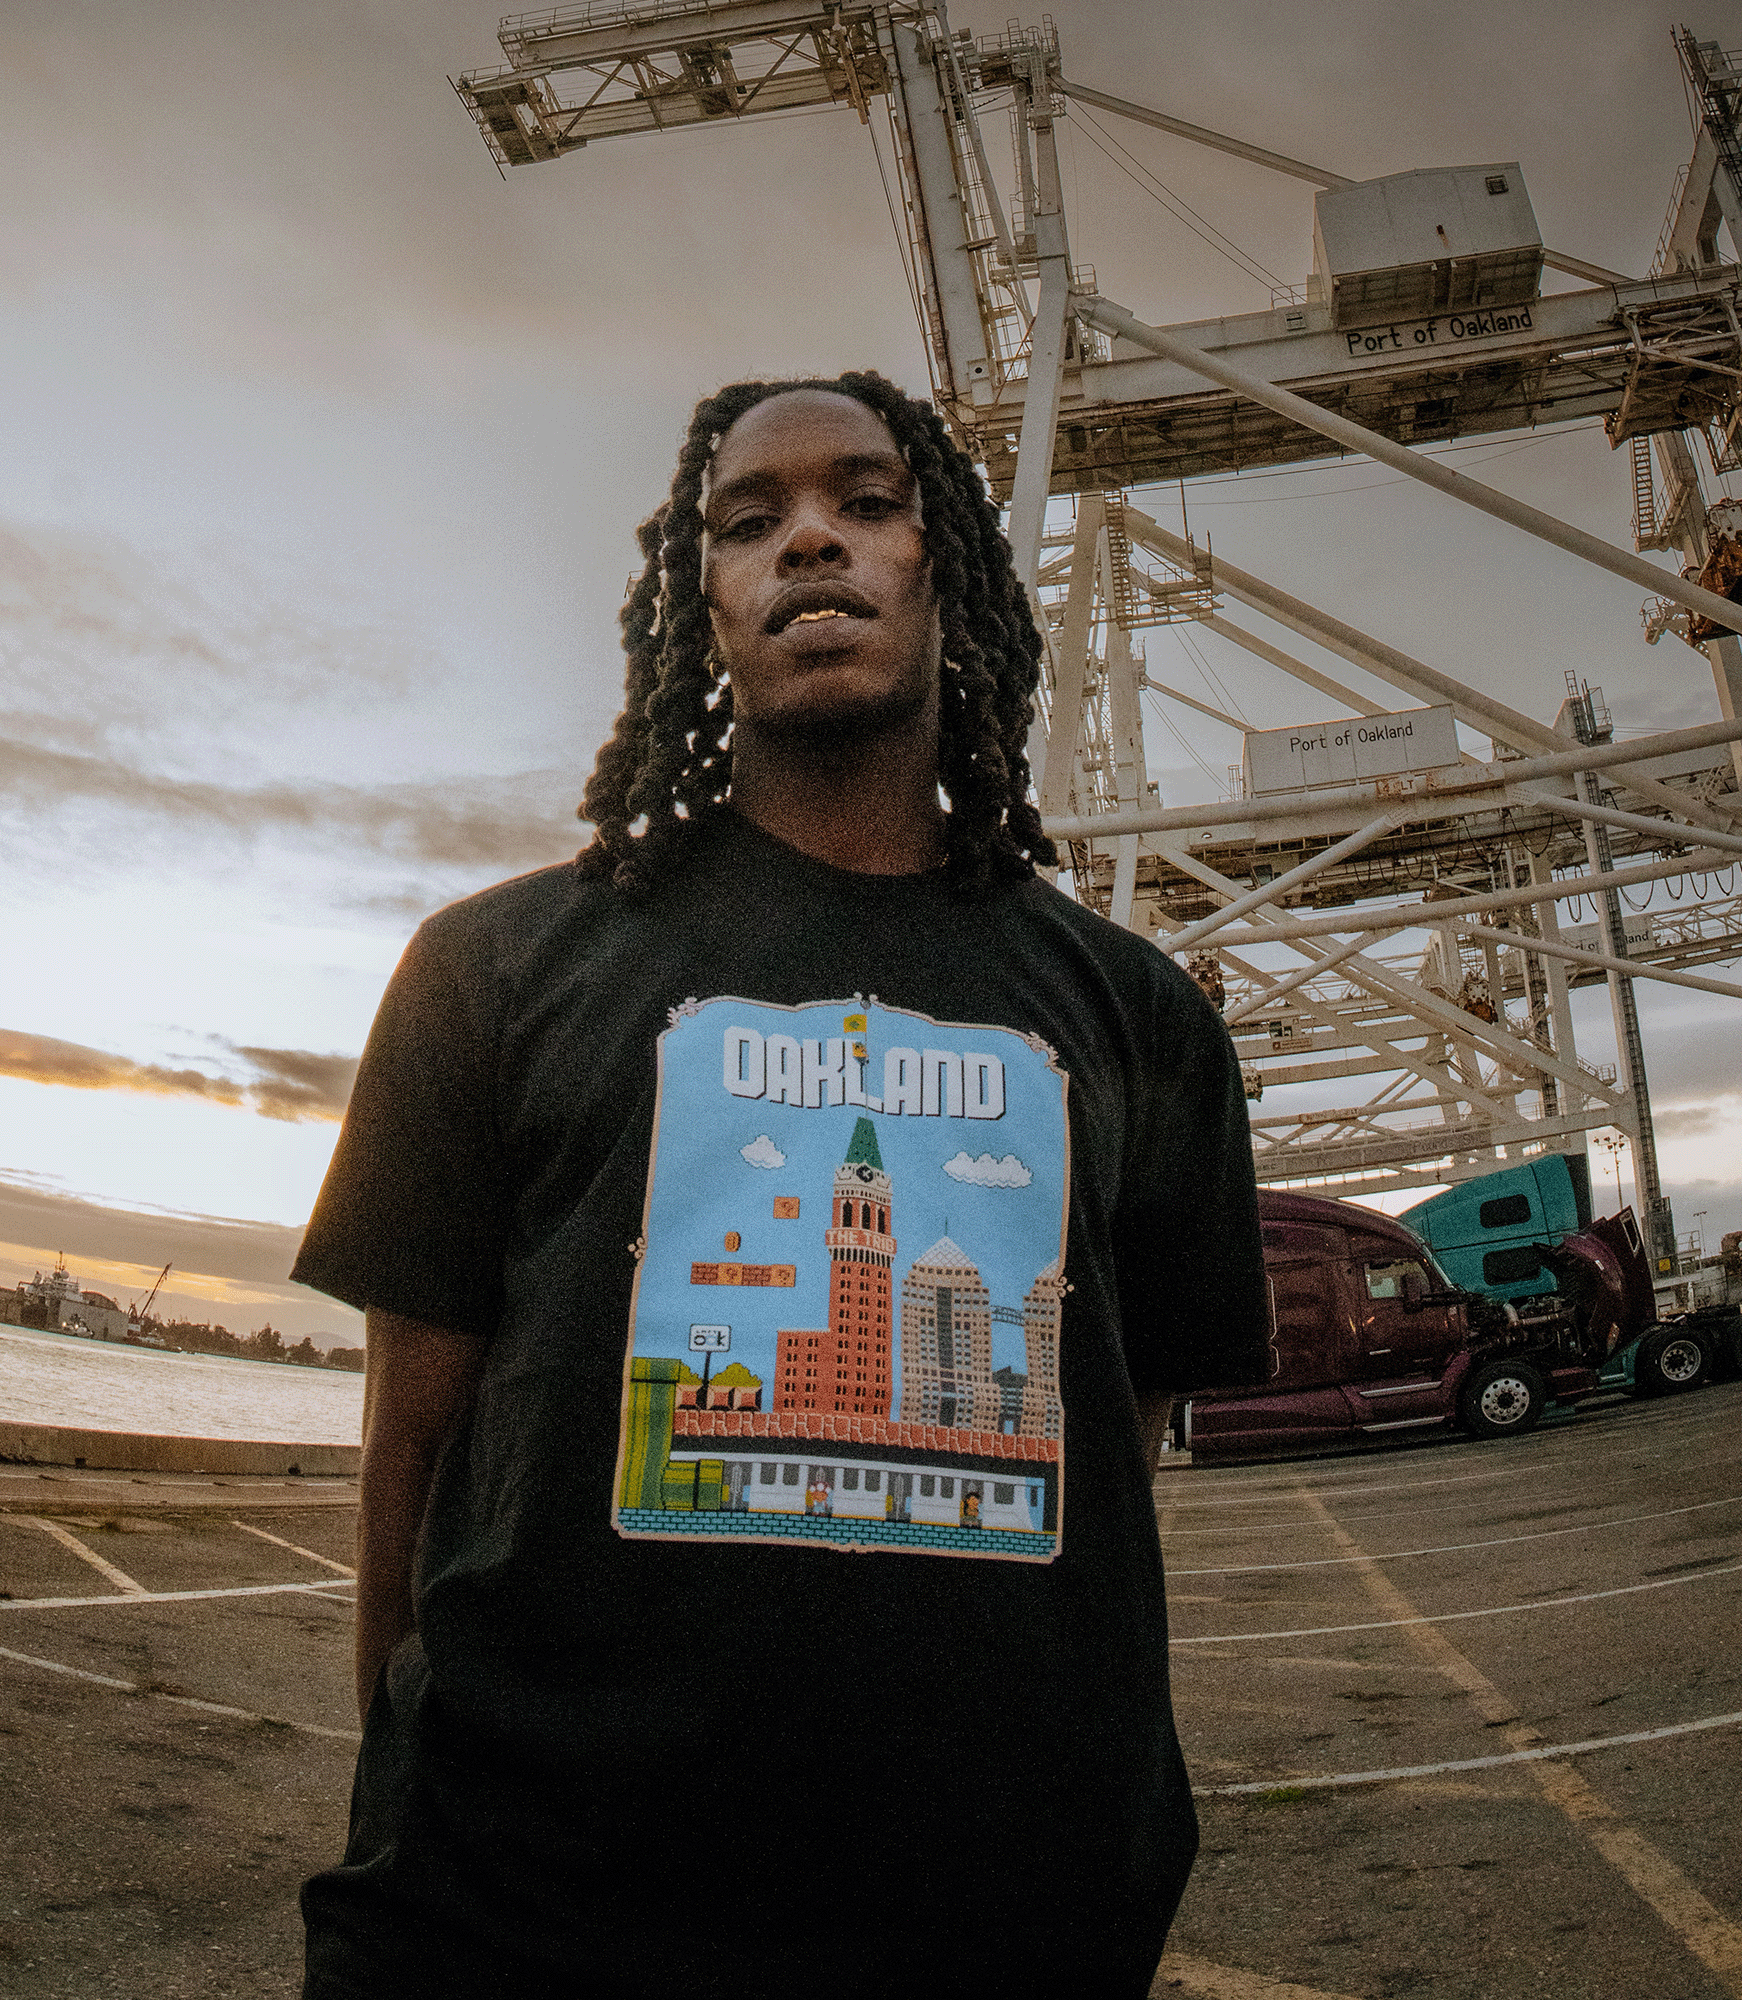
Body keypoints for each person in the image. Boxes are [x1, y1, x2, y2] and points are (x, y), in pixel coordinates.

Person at [293, 370, 1272, 1997]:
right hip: (525, 1910)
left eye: (866, 502)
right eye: (750, 523)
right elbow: (411, 1431)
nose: (810, 539)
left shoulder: (1138, 1015)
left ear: (941, 568)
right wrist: (402, 1785)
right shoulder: (492, 968)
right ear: (705, 611)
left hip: (1002, 1910)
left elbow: (1124, 1447)